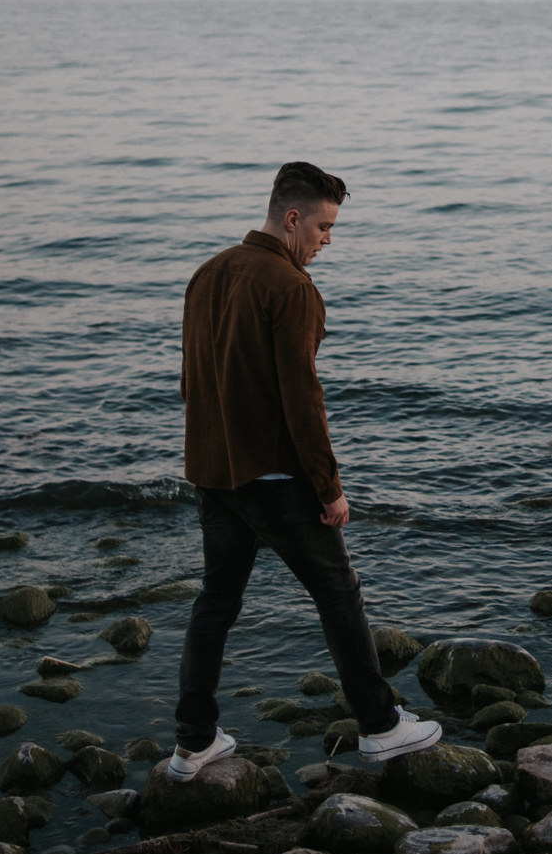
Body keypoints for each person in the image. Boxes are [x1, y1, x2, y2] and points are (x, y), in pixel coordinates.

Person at [167, 161, 442, 780]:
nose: (326, 241)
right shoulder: (291, 289)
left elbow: (192, 383)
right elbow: (302, 401)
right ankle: (379, 727)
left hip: (215, 475)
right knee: (339, 594)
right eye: (322, 226)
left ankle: (192, 743)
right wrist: (330, 488)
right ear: (291, 218)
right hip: (275, 480)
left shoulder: (206, 274)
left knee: (216, 602)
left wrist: (212, 459)